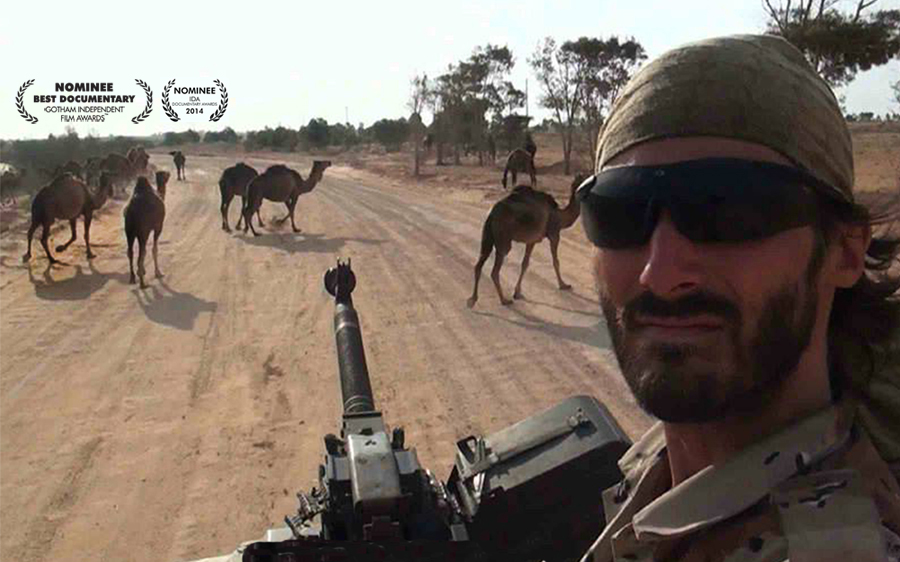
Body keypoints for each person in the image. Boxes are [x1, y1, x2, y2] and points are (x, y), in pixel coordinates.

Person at [577, 34, 900, 561]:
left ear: (844, 252)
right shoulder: (665, 470)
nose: (660, 274)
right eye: (620, 211)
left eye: (726, 210)